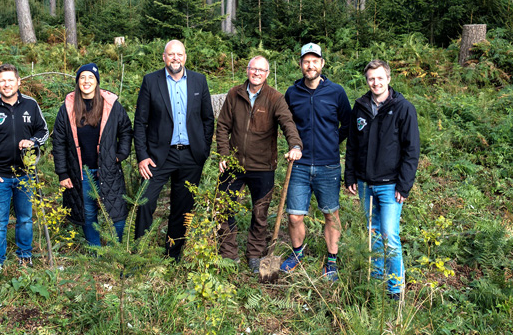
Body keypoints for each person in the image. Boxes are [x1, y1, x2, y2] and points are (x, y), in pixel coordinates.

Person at [216, 56, 303, 272]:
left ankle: (255, 254)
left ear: (267, 74)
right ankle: (229, 253)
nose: (256, 73)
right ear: (247, 70)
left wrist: (295, 146)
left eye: (261, 70)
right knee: (224, 207)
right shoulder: (234, 94)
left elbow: (287, 123)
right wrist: (224, 154)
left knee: (260, 212)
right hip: (234, 165)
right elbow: (223, 126)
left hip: (263, 166)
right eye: (253, 69)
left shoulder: (275, 98)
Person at [345, 59, 420, 300]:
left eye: (379, 78)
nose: (375, 82)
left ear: (388, 78)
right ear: (367, 81)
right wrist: (350, 176)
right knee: (373, 234)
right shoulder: (361, 107)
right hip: (366, 183)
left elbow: (411, 150)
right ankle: (376, 279)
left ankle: (395, 288)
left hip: (390, 186)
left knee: (390, 236)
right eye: (371, 79)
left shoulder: (403, 108)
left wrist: (404, 185)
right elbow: (353, 146)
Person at [133, 40, 214, 260]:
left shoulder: (199, 81)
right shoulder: (151, 81)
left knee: (183, 206)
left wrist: (203, 150)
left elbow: (208, 118)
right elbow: (140, 122)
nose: (175, 58)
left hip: (191, 155)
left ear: (185, 57)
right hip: (158, 157)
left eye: (179, 54)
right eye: (171, 54)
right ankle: (140, 254)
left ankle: (173, 255)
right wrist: (142, 156)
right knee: (145, 201)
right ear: (164, 57)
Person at [281, 43, 351, 281]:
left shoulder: (336, 92)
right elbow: (286, 123)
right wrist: (293, 146)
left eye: (315, 61)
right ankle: (298, 253)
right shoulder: (292, 93)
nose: (310, 65)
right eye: (306, 61)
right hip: (299, 165)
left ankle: (331, 260)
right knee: (294, 216)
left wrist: (332, 142)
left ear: (322, 64)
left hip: (328, 165)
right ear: (301, 65)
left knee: (330, 214)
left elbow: (347, 124)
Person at [0, 63, 49, 276]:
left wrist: (33, 141)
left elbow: (43, 130)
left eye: (10, 80)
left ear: (19, 82)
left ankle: (25, 256)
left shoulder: (31, 105)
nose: (6, 84)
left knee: (25, 218)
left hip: (25, 175)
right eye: (2, 80)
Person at [52, 63, 133, 246]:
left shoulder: (111, 105)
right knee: (88, 212)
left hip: (108, 167)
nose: (86, 81)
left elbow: (126, 130)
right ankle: (95, 251)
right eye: (82, 77)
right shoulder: (67, 108)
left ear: (97, 81)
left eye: (90, 77)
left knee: (117, 211)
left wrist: (121, 154)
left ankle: (116, 249)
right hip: (82, 171)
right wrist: (63, 173)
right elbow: (59, 141)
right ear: (77, 81)